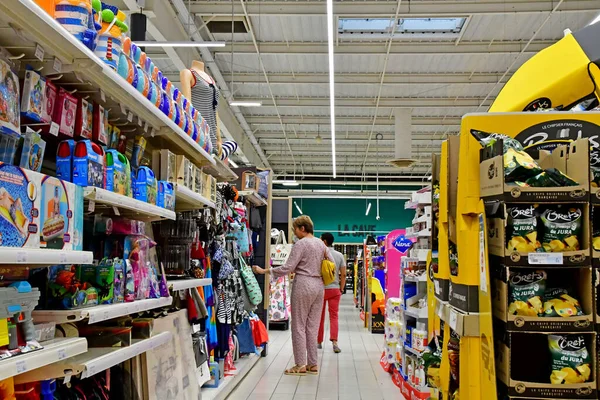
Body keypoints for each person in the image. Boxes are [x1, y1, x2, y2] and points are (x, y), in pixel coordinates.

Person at [253, 215, 333, 376]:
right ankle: (313, 364)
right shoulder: (321, 244)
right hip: (319, 286)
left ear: (302, 229)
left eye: (295, 229)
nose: (294, 233)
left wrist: (265, 271)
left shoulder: (300, 244)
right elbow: (330, 262)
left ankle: (300, 364)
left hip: (303, 284)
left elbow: (288, 267)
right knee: (312, 327)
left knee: (298, 326)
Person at [317, 233, 346, 353]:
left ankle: (318, 341)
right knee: (334, 316)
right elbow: (343, 274)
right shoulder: (339, 256)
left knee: (320, 316)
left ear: (324, 241)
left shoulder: (319, 255)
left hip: (321, 289)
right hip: (334, 289)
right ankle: (335, 342)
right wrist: (341, 288)